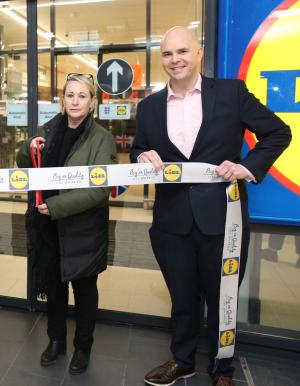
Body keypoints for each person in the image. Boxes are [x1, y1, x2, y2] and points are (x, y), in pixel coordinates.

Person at [130, 26, 291, 386]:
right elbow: (138, 148)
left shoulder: (231, 93)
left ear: (199, 53)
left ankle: (223, 369)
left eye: (182, 52)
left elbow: (278, 132)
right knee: (183, 297)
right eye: (168, 54)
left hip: (224, 220)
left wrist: (248, 166)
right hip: (172, 222)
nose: (176, 60)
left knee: (224, 300)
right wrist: (142, 155)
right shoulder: (149, 107)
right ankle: (183, 359)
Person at [16, 73, 117, 375]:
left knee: (84, 290)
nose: (75, 101)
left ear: (92, 102)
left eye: (82, 96)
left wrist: (56, 206)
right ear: (62, 99)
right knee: (55, 288)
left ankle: (82, 348)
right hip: (47, 227)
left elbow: (100, 190)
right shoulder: (49, 130)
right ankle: (55, 340)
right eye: (69, 95)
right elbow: (26, 163)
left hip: (81, 229)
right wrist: (28, 146)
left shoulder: (102, 139)